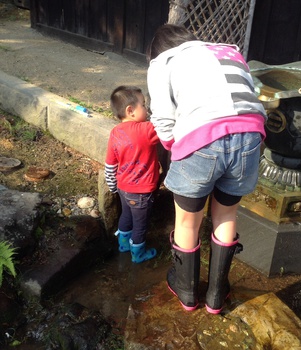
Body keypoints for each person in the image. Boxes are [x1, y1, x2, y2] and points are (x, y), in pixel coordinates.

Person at [147, 24, 267, 313]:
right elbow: (251, 96)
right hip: (250, 135)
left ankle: (187, 292)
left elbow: (163, 119)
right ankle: (216, 295)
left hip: (202, 139)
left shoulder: (162, 62)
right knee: (226, 213)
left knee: (188, 222)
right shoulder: (230, 52)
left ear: (158, 50)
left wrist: (177, 150)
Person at [104, 85, 159, 263]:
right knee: (140, 225)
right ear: (131, 111)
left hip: (122, 187)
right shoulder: (147, 130)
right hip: (141, 191)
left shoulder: (114, 132)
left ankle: (123, 244)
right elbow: (167, 125)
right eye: (143, 105)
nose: (147, 109)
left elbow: (110, 164)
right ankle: (138, 254)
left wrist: (113, 186)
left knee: (126, 216)